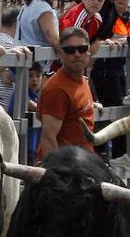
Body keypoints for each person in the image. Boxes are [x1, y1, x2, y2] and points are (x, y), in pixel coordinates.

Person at [35, 26, 98, 159]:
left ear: (89, 52)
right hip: (67, 169)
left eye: (82, 49)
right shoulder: (57, 90)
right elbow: (48, 138)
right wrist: (61, 174)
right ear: (60, 54)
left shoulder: (82, 80)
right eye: (69, 50)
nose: (76, 54)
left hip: (83, 164)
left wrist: (93, 105)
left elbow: (74, 109)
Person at [16, 0, 63, 66]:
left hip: (19, 61)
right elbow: (53, 38)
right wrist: (67, 55)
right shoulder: (43, 8)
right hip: (35, 66)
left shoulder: (28, 5)